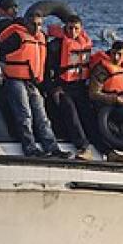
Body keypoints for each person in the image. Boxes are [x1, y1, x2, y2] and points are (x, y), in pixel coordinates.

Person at [0, 6, 69, 158]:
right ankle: (30, 147)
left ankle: (52, 147)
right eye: (33, 24)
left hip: (33, 82)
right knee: (24, 114)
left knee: (42, 116)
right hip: (15, 79)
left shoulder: (42, 38)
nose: (36, 28)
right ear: (26, 24)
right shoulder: (16, 36)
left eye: (39, 25)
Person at [44, 14, 95, 160]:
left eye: (76, 28)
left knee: (88, 113)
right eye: (70, 28)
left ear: (81, 29)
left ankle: (106, 149)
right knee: (70, 110)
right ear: (65, 28)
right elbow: (47, 69)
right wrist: (54, 88)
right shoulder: (56, 45)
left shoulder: (84, 43)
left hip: (79, 85)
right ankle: (83, 146)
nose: (73, 31)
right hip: (63, 87)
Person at [88, 40, 123, 164]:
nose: (116, 57)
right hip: (104, 103)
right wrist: (113, 99)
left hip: (121, 101)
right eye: (114, 54)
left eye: (120, 54)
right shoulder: (102, 69)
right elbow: (93, 94)